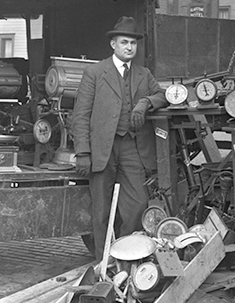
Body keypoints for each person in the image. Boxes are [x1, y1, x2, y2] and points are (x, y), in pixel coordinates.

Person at [71, 16, 167, 261]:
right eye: (124, 42)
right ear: (113, 44)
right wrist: (82, 152)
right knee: (101, 209)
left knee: (137, 202)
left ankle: (126, 255)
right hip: (102, 149)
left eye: (133, 43)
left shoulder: (143, 74)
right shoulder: (94, 72)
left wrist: (145, 103)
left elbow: (162, 95)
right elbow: (80, 115)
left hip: (133, 146)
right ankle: (104, 260)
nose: (129, 47)